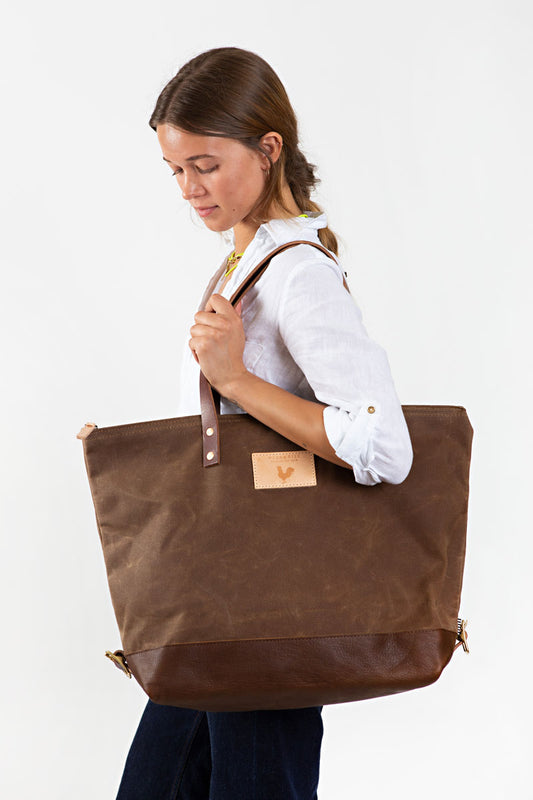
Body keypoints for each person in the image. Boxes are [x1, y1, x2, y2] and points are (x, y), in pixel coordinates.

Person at [116, 46, 413, 800]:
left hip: (266, 608)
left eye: (205, 165)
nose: (189, 189)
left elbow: (383, 445)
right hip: (214, 605)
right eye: (175, 170)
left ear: (268, 148)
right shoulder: (244, 264)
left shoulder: (298, 274)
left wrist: (236, 381)